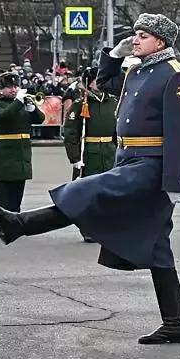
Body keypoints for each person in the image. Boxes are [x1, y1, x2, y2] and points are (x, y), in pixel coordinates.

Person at [0, 14, 180, 344]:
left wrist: (175, 181)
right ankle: (174, 324)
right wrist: (113, 55)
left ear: (161, 41)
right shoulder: (136, 70)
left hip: (150, 167)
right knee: (158, 247)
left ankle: (21, 224)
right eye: (135, 34)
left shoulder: (175, 75)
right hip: (128, 159)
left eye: (143, 35)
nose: (136, 39)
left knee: (86, 191)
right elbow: (105, 82)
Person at [62, 67, 119, 241]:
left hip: (110, 151)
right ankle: (88, 229)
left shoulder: (113, 102)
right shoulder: (81, 104)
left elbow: (119, 131)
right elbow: (71, 134)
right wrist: (75, 158)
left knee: (109, 192)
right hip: (89, 153)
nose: (101, 84)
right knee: (89, 193)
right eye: (97, 80)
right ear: (89, 82)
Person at [0, 72, 46, 212]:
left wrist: (32, 109)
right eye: (9, 87)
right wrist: (18, 102)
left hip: (22, 154)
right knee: (6, 195)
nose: (13, 90)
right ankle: (5, 225)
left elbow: (40, 119)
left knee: (18, 194)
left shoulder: (20, 103)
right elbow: (2, 117)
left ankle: (14, 223)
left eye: (15, 86)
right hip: (6, 155)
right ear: (1, 89)